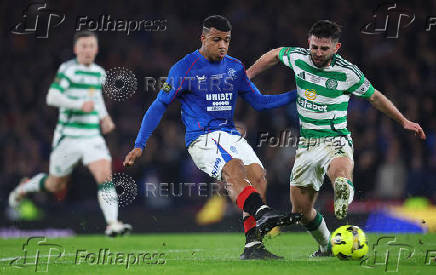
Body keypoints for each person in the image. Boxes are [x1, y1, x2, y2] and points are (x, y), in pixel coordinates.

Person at [123, 15, 301, 259]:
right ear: (203, 38)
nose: (223, 46)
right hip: (202, 137)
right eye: (216, 40)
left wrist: (296, 95)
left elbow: (259, 102)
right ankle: (262, 211)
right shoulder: (184, 68)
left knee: (258, 178)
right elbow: (158, 105)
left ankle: (253, 246)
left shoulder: (235, 67)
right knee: (234, 168)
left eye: (227, 40)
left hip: (229, 134)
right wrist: (139, 145)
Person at [246, 20, 426, 256]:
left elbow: (376, 98)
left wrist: (403, 120)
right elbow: (275, 55)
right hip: (306, 144)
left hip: (335, 138)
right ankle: (326, 247)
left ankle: (344, 188)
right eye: (314, 47)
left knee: (339, 170)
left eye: (324, 48)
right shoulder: (298, 58)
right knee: (301, 210)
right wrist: (247, 75)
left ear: (336, 47)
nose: (318, 53)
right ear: (308, 43)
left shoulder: (348, 73)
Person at [8, 31, 132, 237]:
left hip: (92, 136)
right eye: (83, 46)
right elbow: (53, 96)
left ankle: (113, 223)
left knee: (104, 175)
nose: (87, 50)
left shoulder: (99, 73)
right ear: (76, 49)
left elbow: (96, 98)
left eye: (91, 46)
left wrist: (104, 117)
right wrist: (78, 104)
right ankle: (25, 187)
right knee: (55, 183)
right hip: (68, 136)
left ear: (96, 49)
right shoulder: (68, 70)